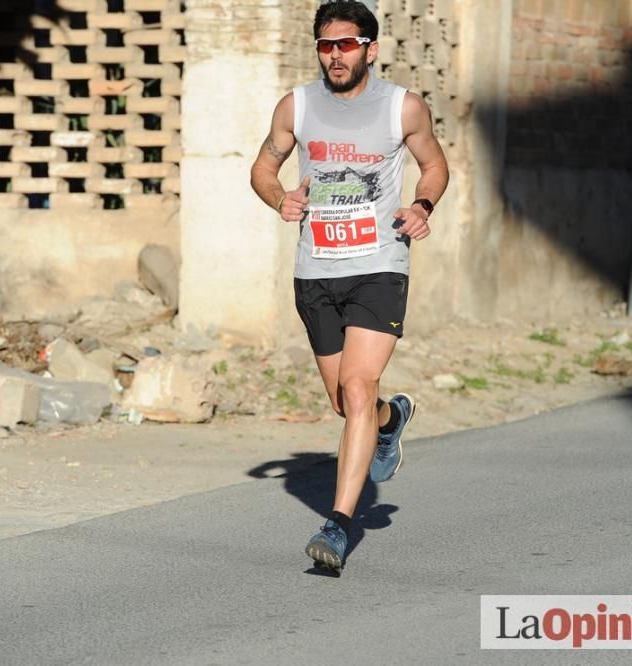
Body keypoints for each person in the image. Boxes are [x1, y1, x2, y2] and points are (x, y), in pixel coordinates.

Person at [249, 0, 449, 570]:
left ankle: (337, 526)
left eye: (346, 44)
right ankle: (393, 420)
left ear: (370, 49)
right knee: (346, 402)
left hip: (380, 264)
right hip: (316, 271)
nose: (335, 55)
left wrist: (422, 203)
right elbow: (263, 168)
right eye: (325, 45)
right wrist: (279, 195)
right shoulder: (296, 106)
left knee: (359, 387)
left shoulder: (402, 107)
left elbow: (435, 165)